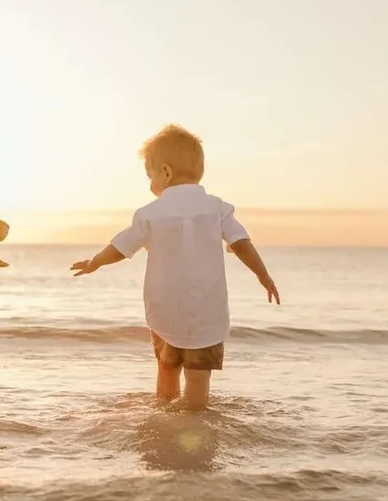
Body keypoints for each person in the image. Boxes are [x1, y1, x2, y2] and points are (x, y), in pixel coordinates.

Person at [71, 124, 279, 410]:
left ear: (166, 172)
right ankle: (193, 421)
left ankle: (164, 417)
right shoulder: (217, 208)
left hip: (165, 312)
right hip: (206, 313)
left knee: (167, 368)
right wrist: (262, 275)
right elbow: (241, 243)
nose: (150, 183)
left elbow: (121, 247)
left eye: (150, 176)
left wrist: (94, 262)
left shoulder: (150, 213)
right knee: (197, 376)